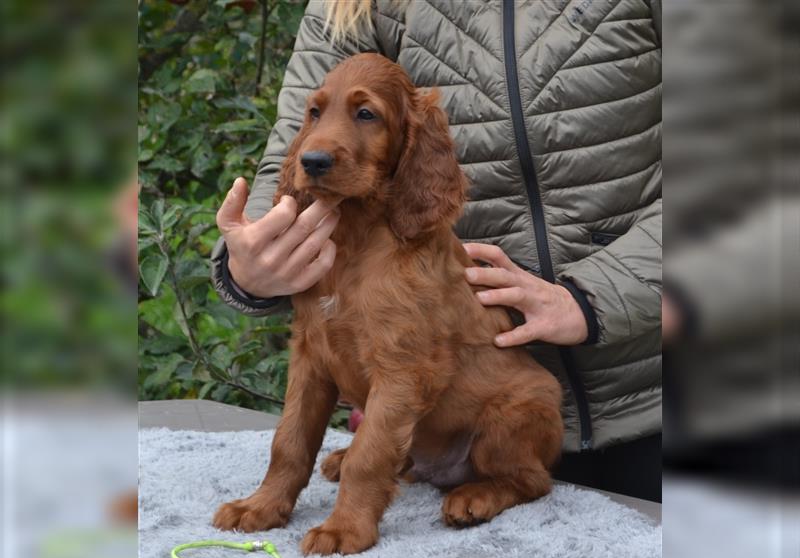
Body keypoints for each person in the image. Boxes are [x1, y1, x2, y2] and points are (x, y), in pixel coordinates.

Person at [211, 0, 663, 502]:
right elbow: (299, 145)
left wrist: (594, 297)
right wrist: (255, 256)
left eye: (366, 114)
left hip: (658, 390)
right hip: (422, 423)